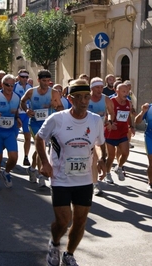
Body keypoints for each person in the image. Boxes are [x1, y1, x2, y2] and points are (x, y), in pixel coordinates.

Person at [35, 78, 105, 266]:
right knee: (63, 220)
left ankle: (69, 254)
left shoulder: (96, 120)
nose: (84, 101)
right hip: (61, 178)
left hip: (84, 179)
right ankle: (55, 243)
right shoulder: (57, 119)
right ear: (69, 98)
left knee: (81, 220)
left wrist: (102, 161)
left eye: (87, 97)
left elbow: (99, 144)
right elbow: (39, 138)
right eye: (79, 97)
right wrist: (44, 163)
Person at [20, 69, 63, 186]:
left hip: (49, 125)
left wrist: (55, 106)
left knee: (40, 150)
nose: (46, 83)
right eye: (44, 80)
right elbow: (22, 102)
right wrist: (27, 110)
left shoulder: (54, 92)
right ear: (38, 80)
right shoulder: (31, 92)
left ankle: (32, 168)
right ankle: (41, 176)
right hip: (35, 124)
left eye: (48, 80)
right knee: (42, 147)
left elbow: (61, 109)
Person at [88, 77, 115, 195]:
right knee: (90, 158)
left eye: (101, 87)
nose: (100, 90)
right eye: (97, 87)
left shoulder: (106, 99)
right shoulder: (86, 98)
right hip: (85, 131)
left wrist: (109, 121)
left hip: (100, 130)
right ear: (91, 88)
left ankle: (95, 184)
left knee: (95, 156)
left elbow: (111, 113)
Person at [104, 83, 135, 184]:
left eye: (127, 91)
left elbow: (129, 116)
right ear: (116, 91)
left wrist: (131, 126)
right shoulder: (111, 101)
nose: (126, 93)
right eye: (123, 91)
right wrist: (109, 124)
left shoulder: (129, 103)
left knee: (126, 153)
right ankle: (107, 173)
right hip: (111, 131)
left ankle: (119, 167)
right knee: (111, 156)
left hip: (122, 131)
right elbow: (106, 114)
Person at [14, 69, 32, 166]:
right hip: (17, 114)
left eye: (26, 77)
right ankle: (13, 155)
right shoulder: (15, 86)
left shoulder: (30, 87)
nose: (24, 79)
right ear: (18, 77)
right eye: (22, 76)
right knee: (14, 137)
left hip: (27, 114)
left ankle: (26, 157)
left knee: (28, 137)